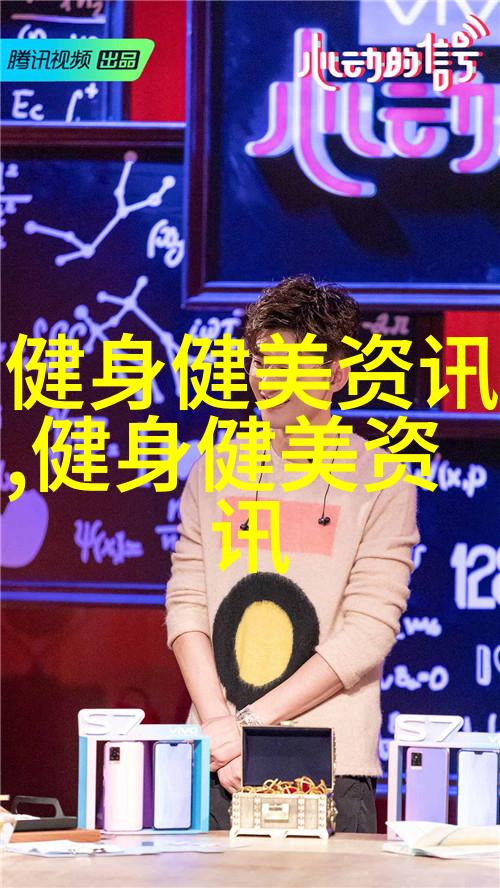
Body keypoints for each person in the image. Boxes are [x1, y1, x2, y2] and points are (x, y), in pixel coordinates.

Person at [166, 274, 419, 832]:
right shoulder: (214, 470)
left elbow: (368, 631)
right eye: (261, 362)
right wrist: (217, 725)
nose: (267, 380)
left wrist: (250, 725)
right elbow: (186, 605)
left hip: (327, 761)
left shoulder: (382, 479)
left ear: (335, 375)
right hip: (218, 762)